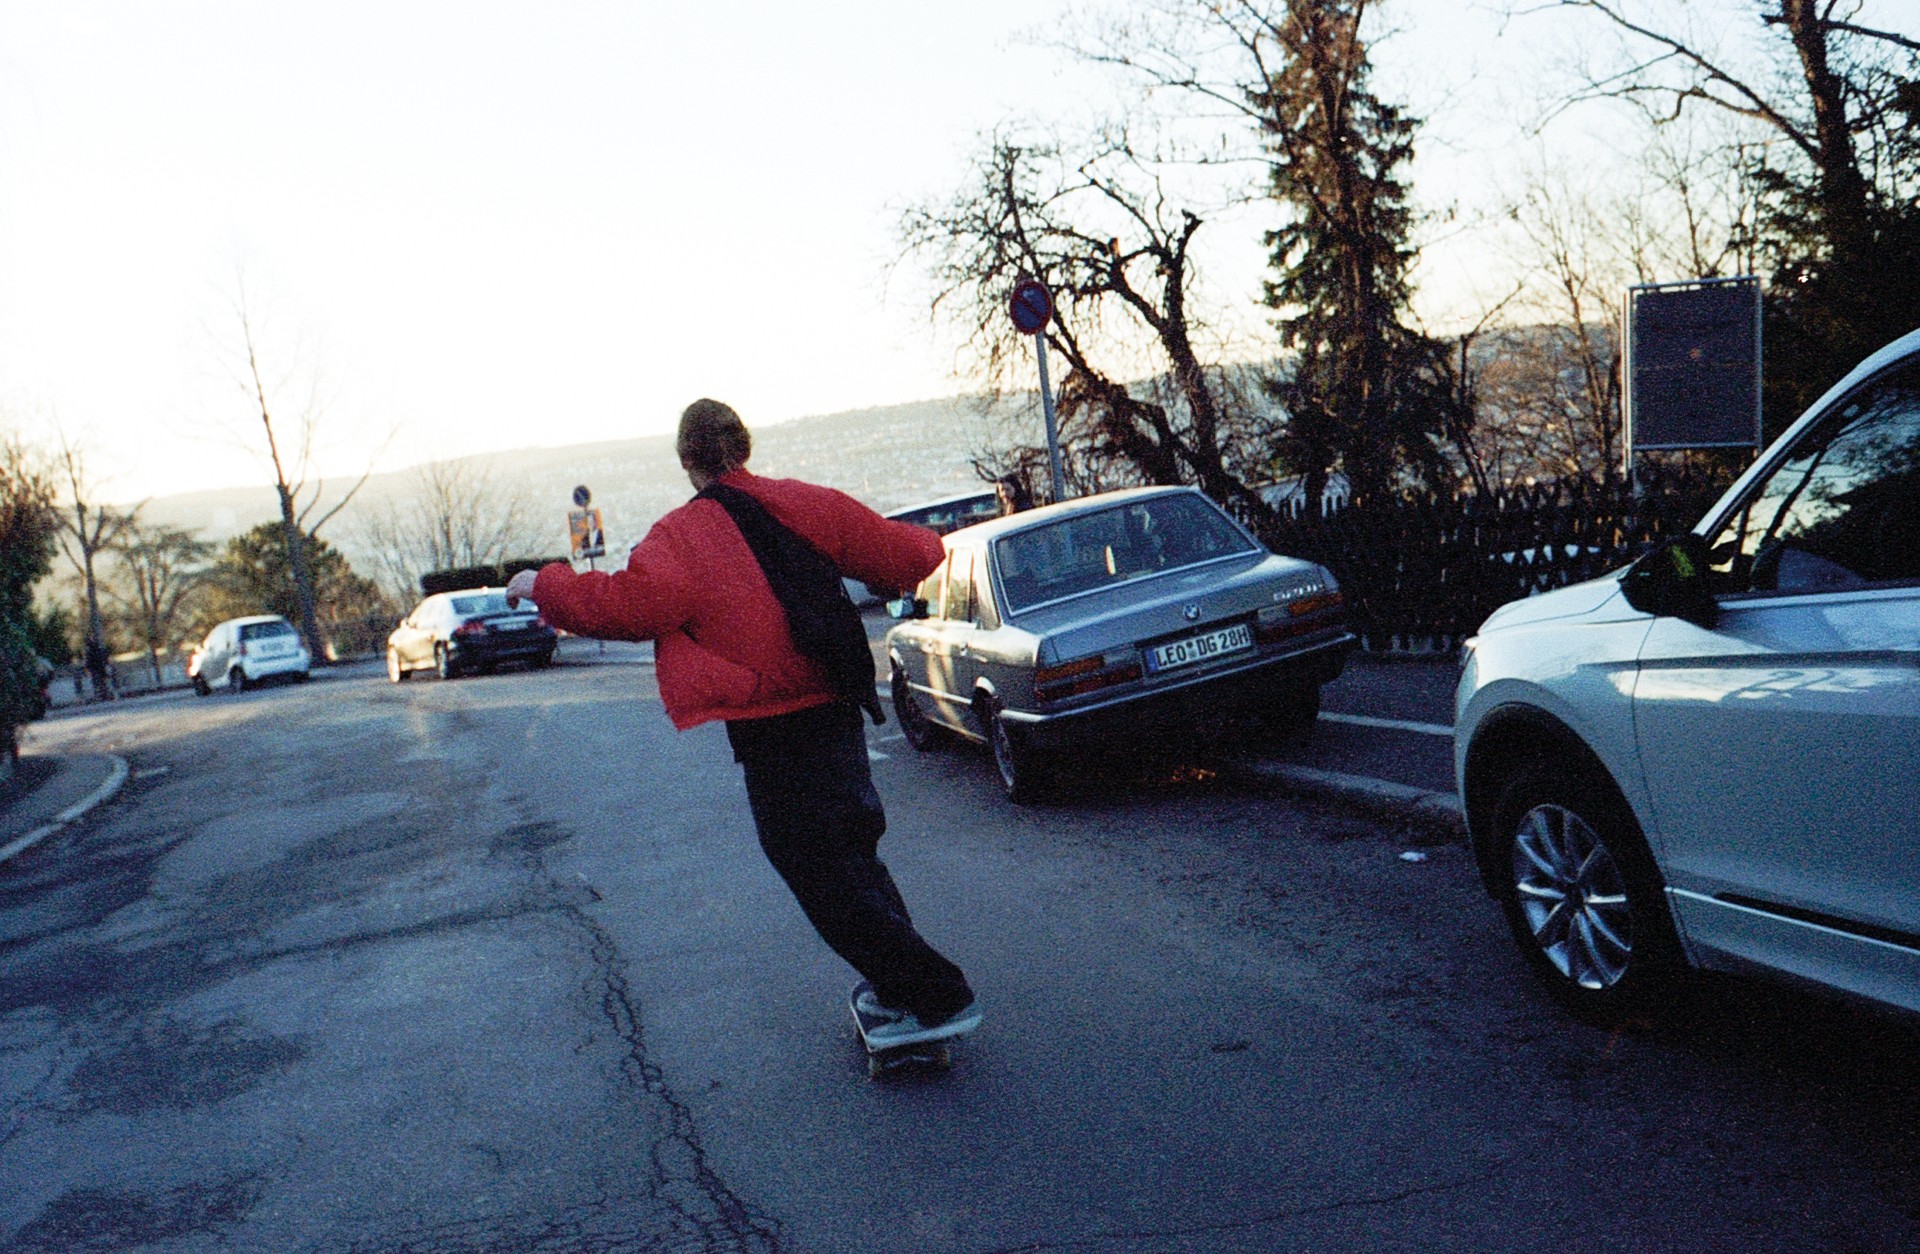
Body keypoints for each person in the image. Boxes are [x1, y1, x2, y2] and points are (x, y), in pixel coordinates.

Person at [506, 399, 979, 1047]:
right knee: (850, 854)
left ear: (687, 461)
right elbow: (906, 555)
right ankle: (901, 986)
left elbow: (629, 608)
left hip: (772, 726)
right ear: (744, 445)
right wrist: (933, 540)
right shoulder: (805, 503)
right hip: (838, 706)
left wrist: (543, 585)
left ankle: (935, 995)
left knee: (812, 864)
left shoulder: (681, 536)